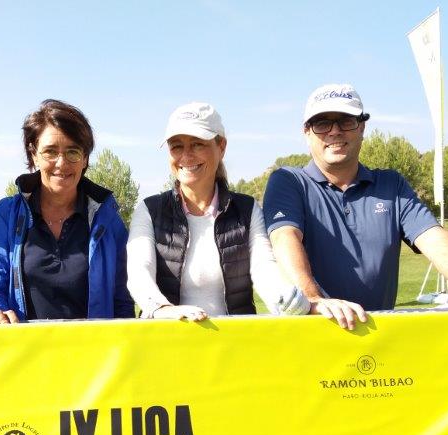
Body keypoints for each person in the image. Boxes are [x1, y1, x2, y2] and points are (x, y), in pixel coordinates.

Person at [263, 83, 448, 330]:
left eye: (346, 121)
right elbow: (285, 238)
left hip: (378, 340)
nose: (334, 131)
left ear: (362, 126)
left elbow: (431, 236)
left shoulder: (390, 184)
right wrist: (313, 298)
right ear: (307, 132)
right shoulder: (288, 181)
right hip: (313, 332)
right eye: (322, 123)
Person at [127, 102, 313, 321]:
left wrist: (284, 299)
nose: (186, 155)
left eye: (197, 144)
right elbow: (139, 272)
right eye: (176, 146)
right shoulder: (149, 210)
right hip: (167, 345)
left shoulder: (247, 209)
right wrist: (160, 308)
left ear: (221, 147)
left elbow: (264, 268)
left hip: (234, 346)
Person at [0, 99, 133, 323]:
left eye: (73, 152)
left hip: (92, 354)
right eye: (50, 152)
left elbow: (121, 299)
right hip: (25, 353)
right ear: (34, 155)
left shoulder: (108, 221)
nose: (61, 163)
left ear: (85, 158)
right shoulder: (5, 215)